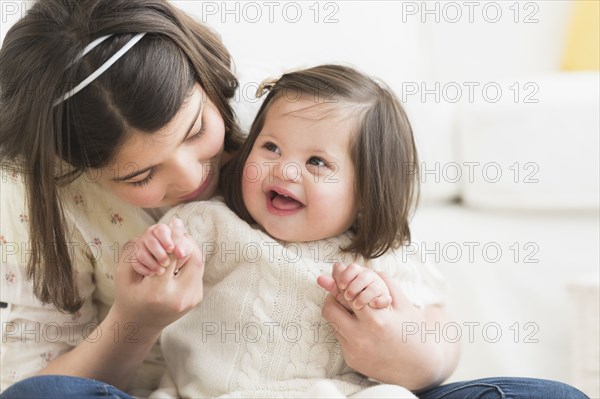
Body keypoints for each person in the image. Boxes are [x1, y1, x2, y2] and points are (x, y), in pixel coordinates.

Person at [133, 65, 590, 399]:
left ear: (367, 193)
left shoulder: (378, 256)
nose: (285, 169)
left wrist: (383, 308)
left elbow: (433, 344)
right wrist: (156, 256)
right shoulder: (208, 224)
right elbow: (152, 278)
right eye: (270, 146)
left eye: (318, 162)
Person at [0, 0, 244, 397]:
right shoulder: (44, 197)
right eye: (141, 176)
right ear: (68, 169)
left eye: (196, 130)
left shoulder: (286, 128)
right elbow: (30, 386)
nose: (191, 175)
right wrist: (135, 321)